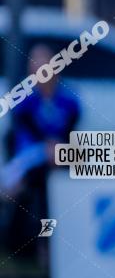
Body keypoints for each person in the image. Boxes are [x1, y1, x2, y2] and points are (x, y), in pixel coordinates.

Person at [5, 45, 81, 265]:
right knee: (32, 183)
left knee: (65, 176)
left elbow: (70, 131)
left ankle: (61, 244)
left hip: (59, 154)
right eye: (35, 65)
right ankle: (31, 246)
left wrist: (58, 149)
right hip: (30, 158)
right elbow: (28, 131)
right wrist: (49, 149)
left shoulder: (69, 98)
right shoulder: (24, 98)